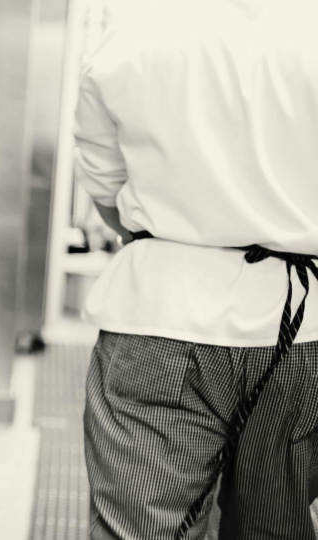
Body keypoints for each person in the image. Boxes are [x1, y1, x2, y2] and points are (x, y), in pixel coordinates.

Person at [74, 0, 318, 538]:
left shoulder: (133, 32)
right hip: (304, 334)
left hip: (159, 317)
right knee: (273, 528)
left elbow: (105, 189)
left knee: (139, 529)